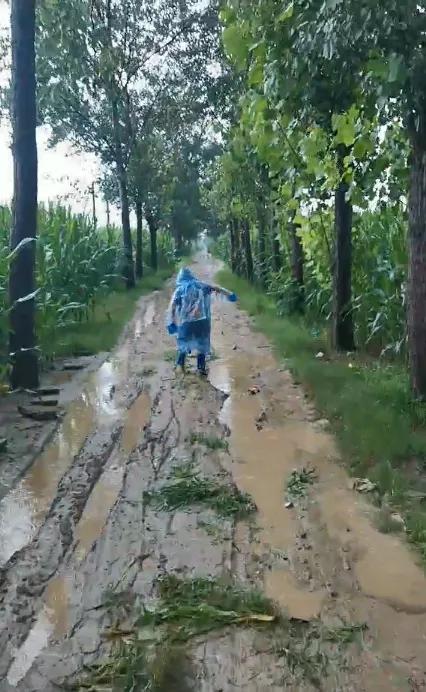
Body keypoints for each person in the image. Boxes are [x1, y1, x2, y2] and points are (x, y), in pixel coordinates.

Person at [167, 267, 237, 375]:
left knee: (183, 344)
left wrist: (171, 322)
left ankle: (180, 366)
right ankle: (201, 369)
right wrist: (230, 294)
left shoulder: (179, 290)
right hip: (202, 322)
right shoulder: (201, 285)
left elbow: (172, 306)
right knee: (202, 344)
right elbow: (216, 288)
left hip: (186, 323)